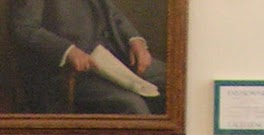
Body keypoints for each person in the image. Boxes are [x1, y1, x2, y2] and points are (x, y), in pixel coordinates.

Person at [10, 0, 167, 116]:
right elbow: (25, 29)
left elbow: (111, 11)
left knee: (173, 79)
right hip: (70, 72)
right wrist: (68, 51)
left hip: (114, 54)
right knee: (134, 106)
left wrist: (135, 40)